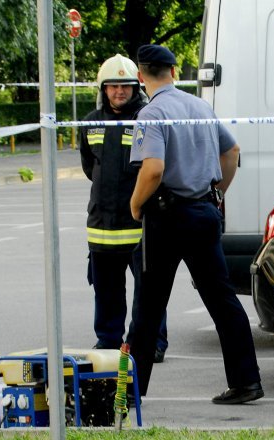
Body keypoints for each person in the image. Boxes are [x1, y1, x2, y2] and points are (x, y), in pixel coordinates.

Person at [128, 44, 263, 404]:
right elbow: (231, 152)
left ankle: (130, 395)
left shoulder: (151, 114)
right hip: (203, 212)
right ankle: (247, 381)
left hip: (166, 218)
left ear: (142, 76)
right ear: (173, 72)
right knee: (222, 300)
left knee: (148, 307)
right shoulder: (200, 106)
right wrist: (218, 192)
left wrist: (136, 204)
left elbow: (153, 169)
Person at [80, 53, 168, 362]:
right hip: (101, 223)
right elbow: (90, 166)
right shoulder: (90, 122)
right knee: (105, 290)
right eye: (113, 86)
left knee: (149, 289)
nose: (120, 92)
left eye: (126, 86)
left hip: (139, 221)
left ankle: (152, 342)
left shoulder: (147, 118)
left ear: (136, 88)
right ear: (103, 89)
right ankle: (108, 339)